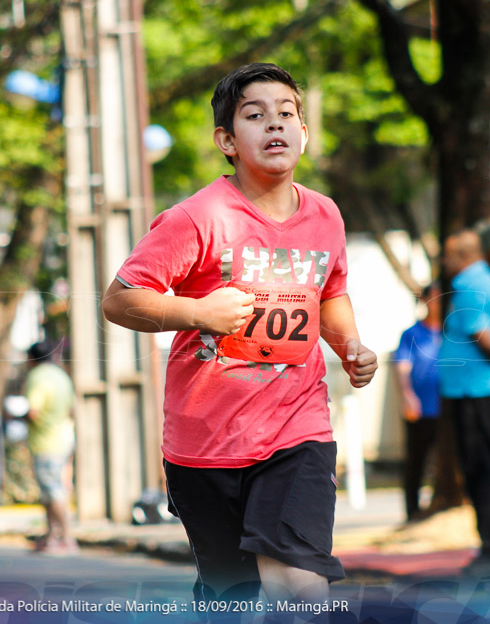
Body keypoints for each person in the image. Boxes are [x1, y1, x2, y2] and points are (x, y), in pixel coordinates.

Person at [101, 63, 378, 606]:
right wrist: (200, 313)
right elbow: (120, 300)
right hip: (204, 444)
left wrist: (349, 345)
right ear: (226, 140)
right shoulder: (197, 217)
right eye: (255, 115)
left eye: (287, 113)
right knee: (236, 597)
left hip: (297, 430)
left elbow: (330, 292)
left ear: (303, 131)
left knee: (298, 585)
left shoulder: (325, 214)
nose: (274, 124)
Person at [437, 230, 490, 569]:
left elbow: (479, 333)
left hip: (476, 392)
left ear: (462, 255)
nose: (444, 263)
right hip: (480, 390)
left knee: (483, 470)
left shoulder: (468, 285)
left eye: (447, 255)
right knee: (489, 468)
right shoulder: (487, 281)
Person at [24, 340, 78, 555]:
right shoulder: (61, 375)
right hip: (65, 438)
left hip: (46, 442)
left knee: (53, 490)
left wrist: (17, 417)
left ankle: (67, 538)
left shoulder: (36, 377)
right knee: (51, 490)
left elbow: (33, 411)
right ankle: (51, 537)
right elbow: (73, 408)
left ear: (31, 359)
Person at [393, 281, 442, 521]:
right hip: (421, 408)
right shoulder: (412, 334)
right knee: (416, 461)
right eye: (434, 297)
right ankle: (412, 511)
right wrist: (407, 396)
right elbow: (402, 367)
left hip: (448, 407)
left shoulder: (452, 332)